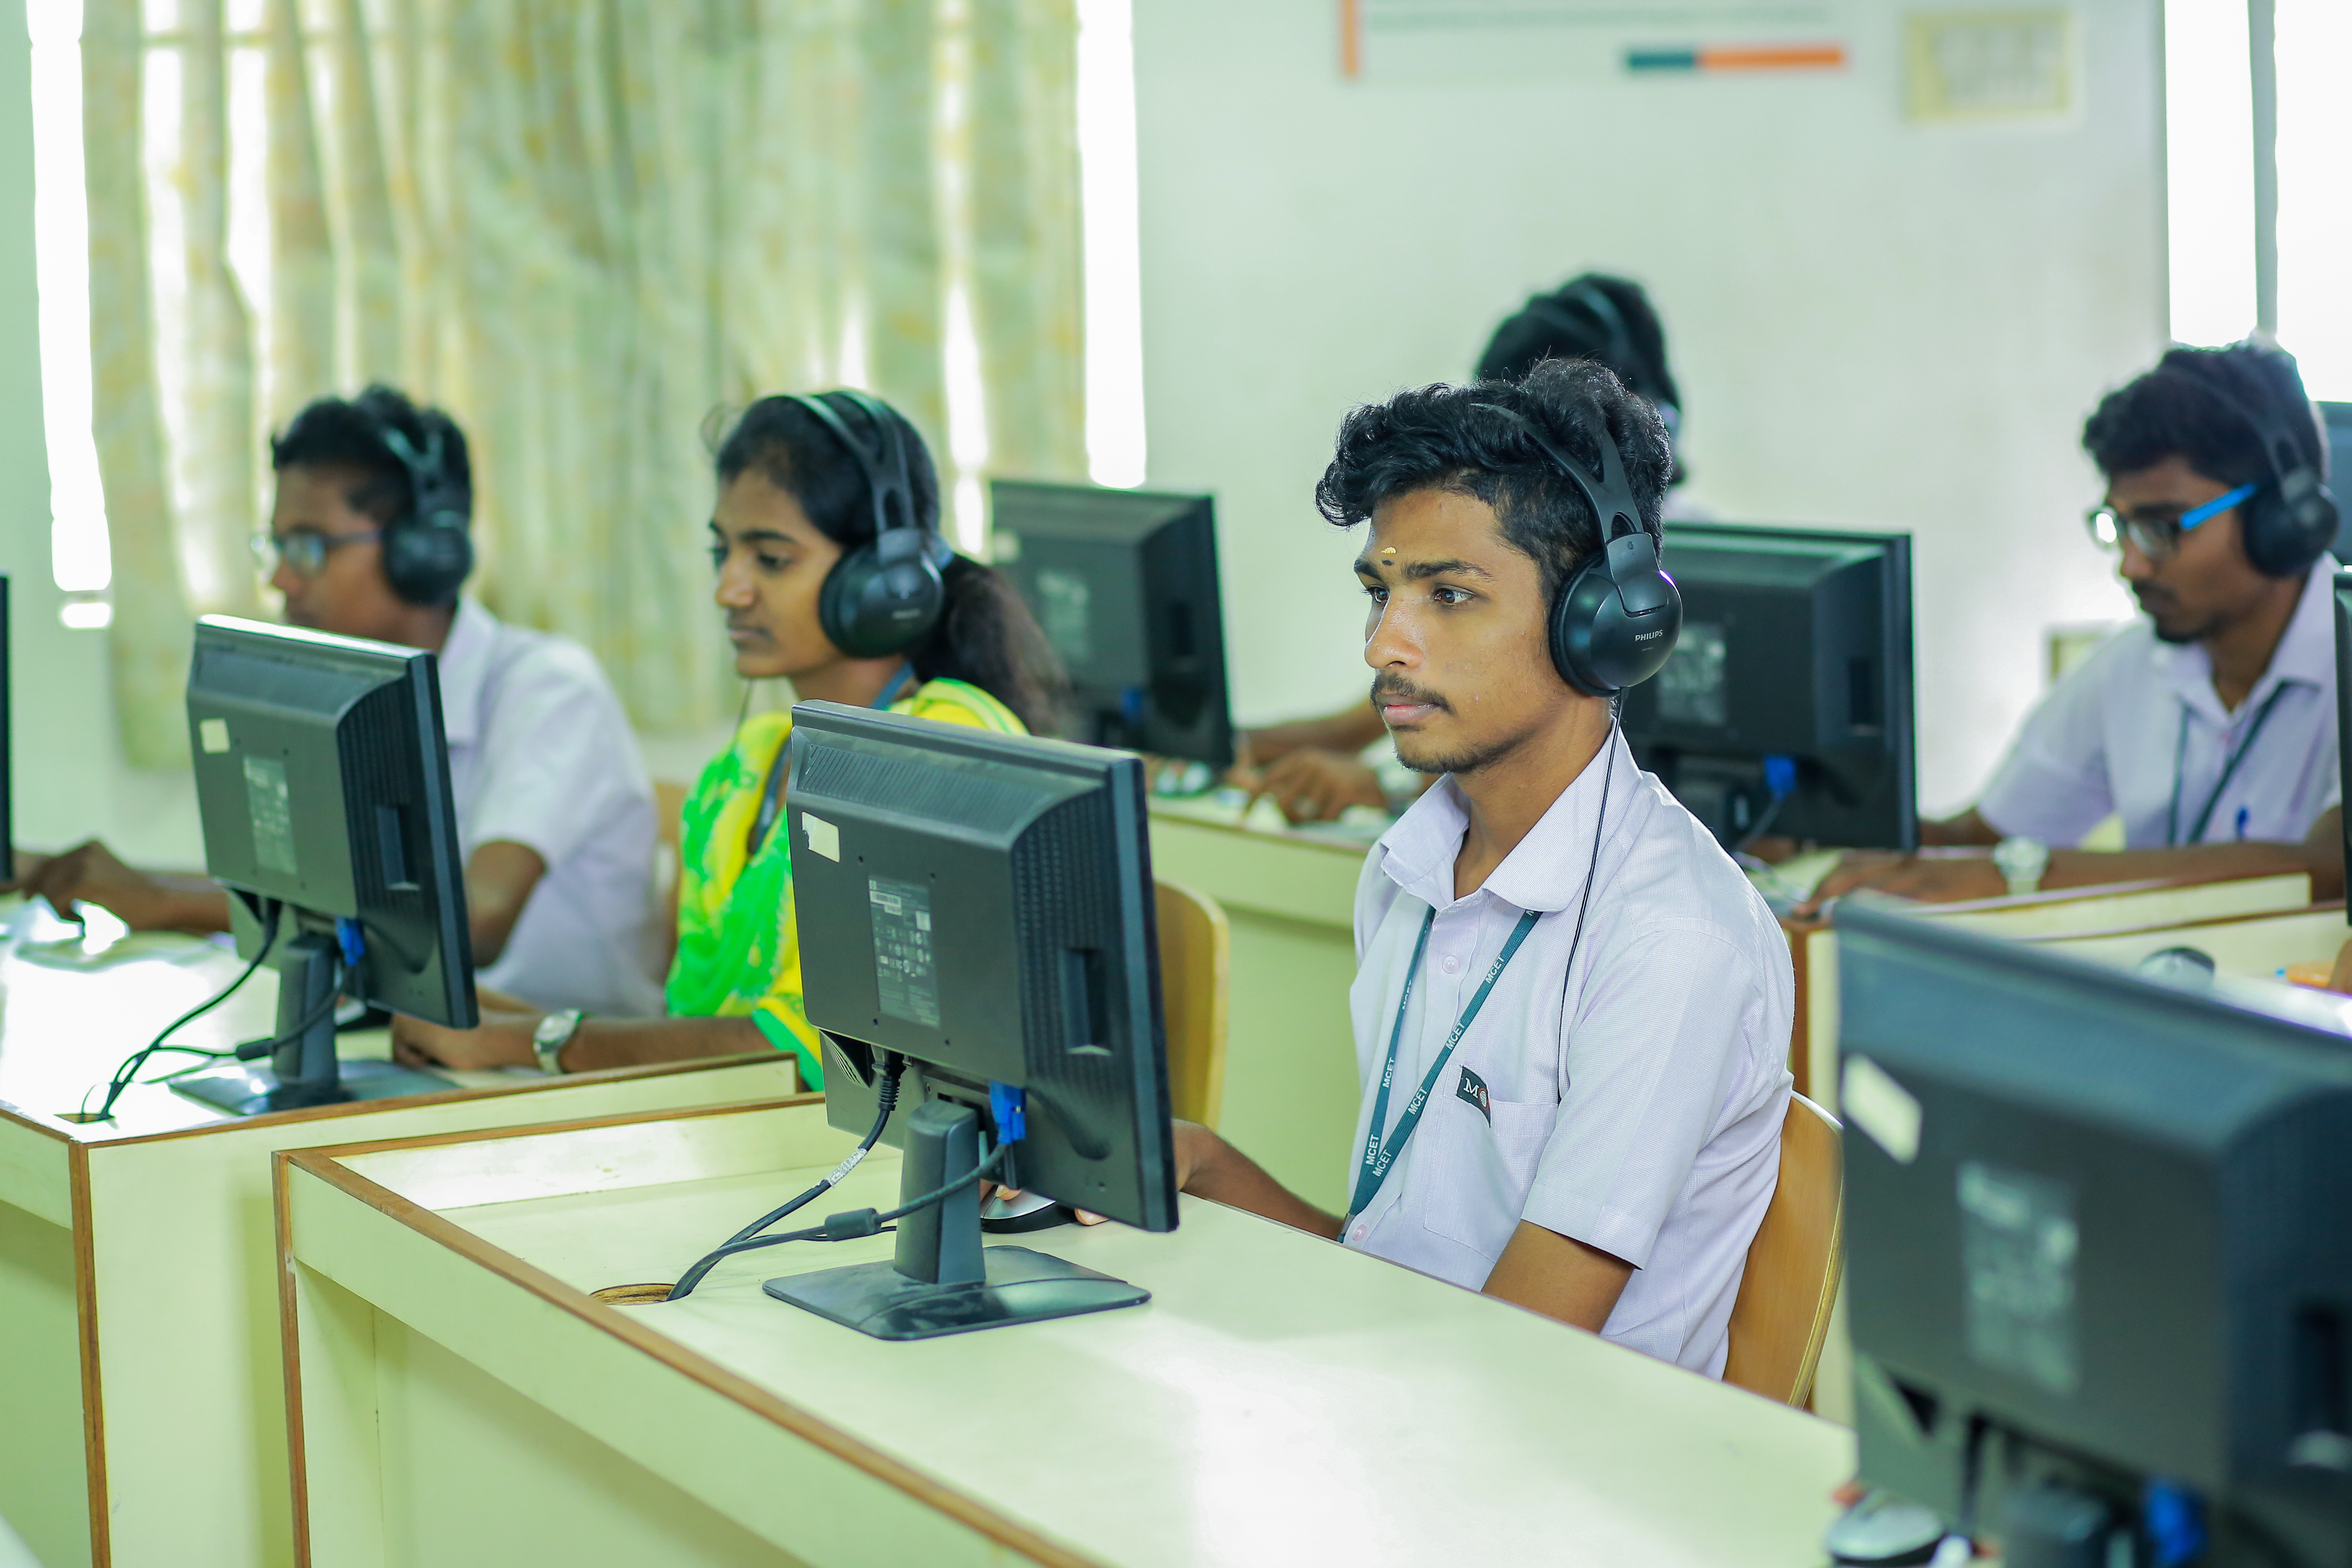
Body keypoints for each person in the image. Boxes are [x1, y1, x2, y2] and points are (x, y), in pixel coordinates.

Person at [1165, 359, 1793, 1374]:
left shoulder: (1668, 939)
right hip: (1418, 1413)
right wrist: (1195, 1162)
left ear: (1604, 625)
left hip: (1567, 1496)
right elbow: (1398, 1276)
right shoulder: (1409, 870)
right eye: (1380, 593)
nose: (1385, 645)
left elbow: (1513, 1356)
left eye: (1449, 596)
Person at [390, 390, 1063, 1085]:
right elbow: (697, 1022)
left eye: (771, 560)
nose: (728, 590)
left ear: (886, 581)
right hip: (735, 1141)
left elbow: (826, 1054)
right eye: (724, 552)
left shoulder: (942, 752)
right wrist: (490, 1021)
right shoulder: (747, 767)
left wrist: (527, 1041)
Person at [11, 387, 664, 1016]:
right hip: (428, 1053)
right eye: (276, 545)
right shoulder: (355, 699)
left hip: (570, 1077)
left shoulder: (549, 690)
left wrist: (171, 903)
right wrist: (92, 878)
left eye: (309, 546)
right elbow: (305, 896)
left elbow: (469, 924)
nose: (281, 578)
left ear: (423, 551)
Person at [1804, 341, 2343, 913]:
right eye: (2120, 527)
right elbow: (1982, 842)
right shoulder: (2132, 666)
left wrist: (2021, 879)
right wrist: (1820, 826)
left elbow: (2330, 869)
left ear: (2285, 520)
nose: (2131, 565)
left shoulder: (2345, 658)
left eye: (2163, 528)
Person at [1241, 273, 1706, 823]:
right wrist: (1239, 743)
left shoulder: (1633, 586)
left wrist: (1389, 791)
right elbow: (1377, 712)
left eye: (1449, 594)